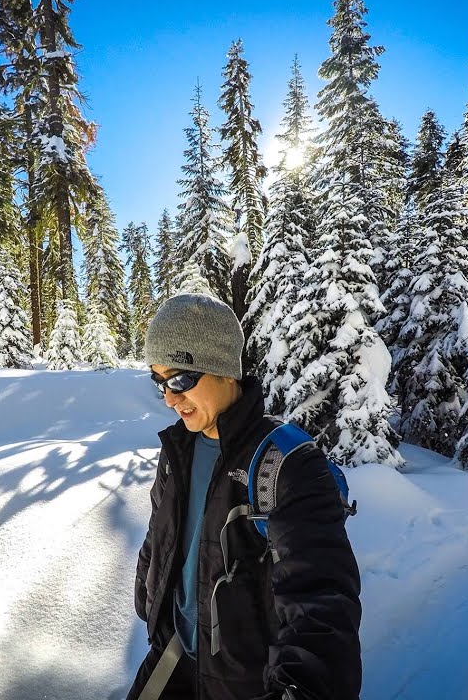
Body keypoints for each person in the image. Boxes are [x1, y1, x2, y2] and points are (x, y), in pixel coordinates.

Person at [127, 292, 362, 700]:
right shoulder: (177, 451)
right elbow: (160, 535)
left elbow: (322, 599)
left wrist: (299, 688)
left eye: (181, 379)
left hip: (245, 684)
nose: (169, 397)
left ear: (225, 370)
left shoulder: (288, 463)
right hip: (171, 655)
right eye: (159, 382)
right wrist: (150, 601)